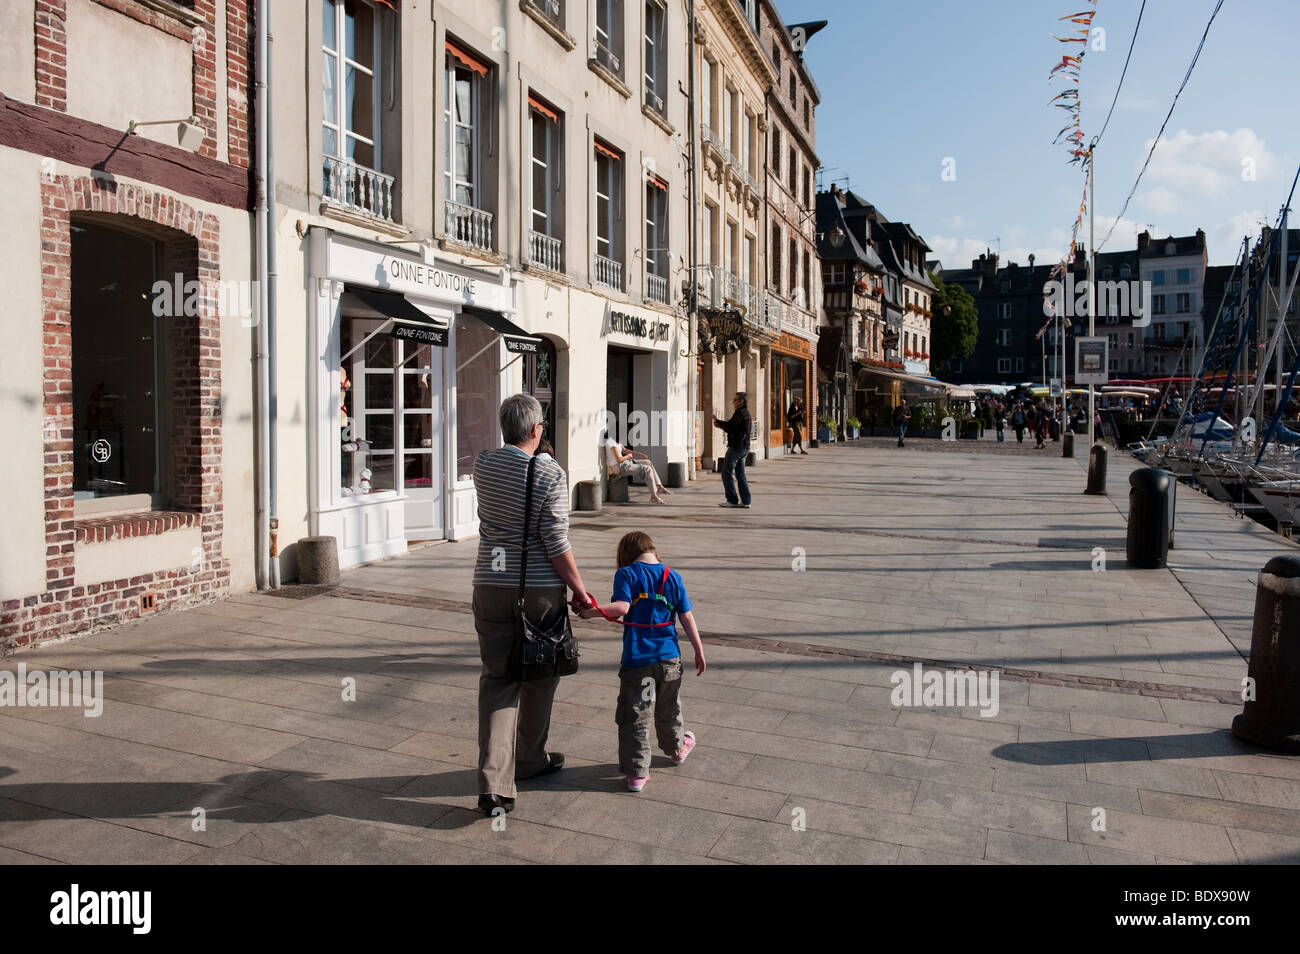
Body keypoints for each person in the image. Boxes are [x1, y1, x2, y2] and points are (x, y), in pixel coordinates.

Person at [471, 394, 590, 817]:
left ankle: (494, 783)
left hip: (489, 583)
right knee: (541, 673)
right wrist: (579, 589)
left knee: (498, 680)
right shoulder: (548, 472)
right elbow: (555, 542)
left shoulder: (483, 464)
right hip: (537, 591)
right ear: (537, 430)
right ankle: (530, 760)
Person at [579, 531, 705, 793]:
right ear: (653, 550)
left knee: (635, 714)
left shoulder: (626, 574)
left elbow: (622, 608)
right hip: (669, 658)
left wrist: (591, 612)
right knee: (668, 708)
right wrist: (698, 650)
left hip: (638, 660)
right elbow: (687, 617)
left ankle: (637, 774)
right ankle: (677, 749)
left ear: (626, 554)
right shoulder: (672, 576)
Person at [605, 433, 672, 504]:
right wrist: (628, 456)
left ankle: (659, 486)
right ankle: (654, 496)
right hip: (619, 467)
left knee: (648, 462)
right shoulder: (611, 443)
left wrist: (640, 454)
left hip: (625, 463)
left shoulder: (616, 442)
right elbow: (619, 460)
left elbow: (625, 450)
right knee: (647, 469)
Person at [712, 392, 752, 508]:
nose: (733, 402)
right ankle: (746, 501)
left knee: (726, 473)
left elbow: (730, 426)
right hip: (744, 447)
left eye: (735, 400)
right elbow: (734, 428)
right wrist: (720, 425)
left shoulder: (740, 413)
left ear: (741, 401)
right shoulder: (745, 413)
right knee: (740, 474)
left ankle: (732, 500)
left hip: (737, 447)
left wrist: (718, 421)